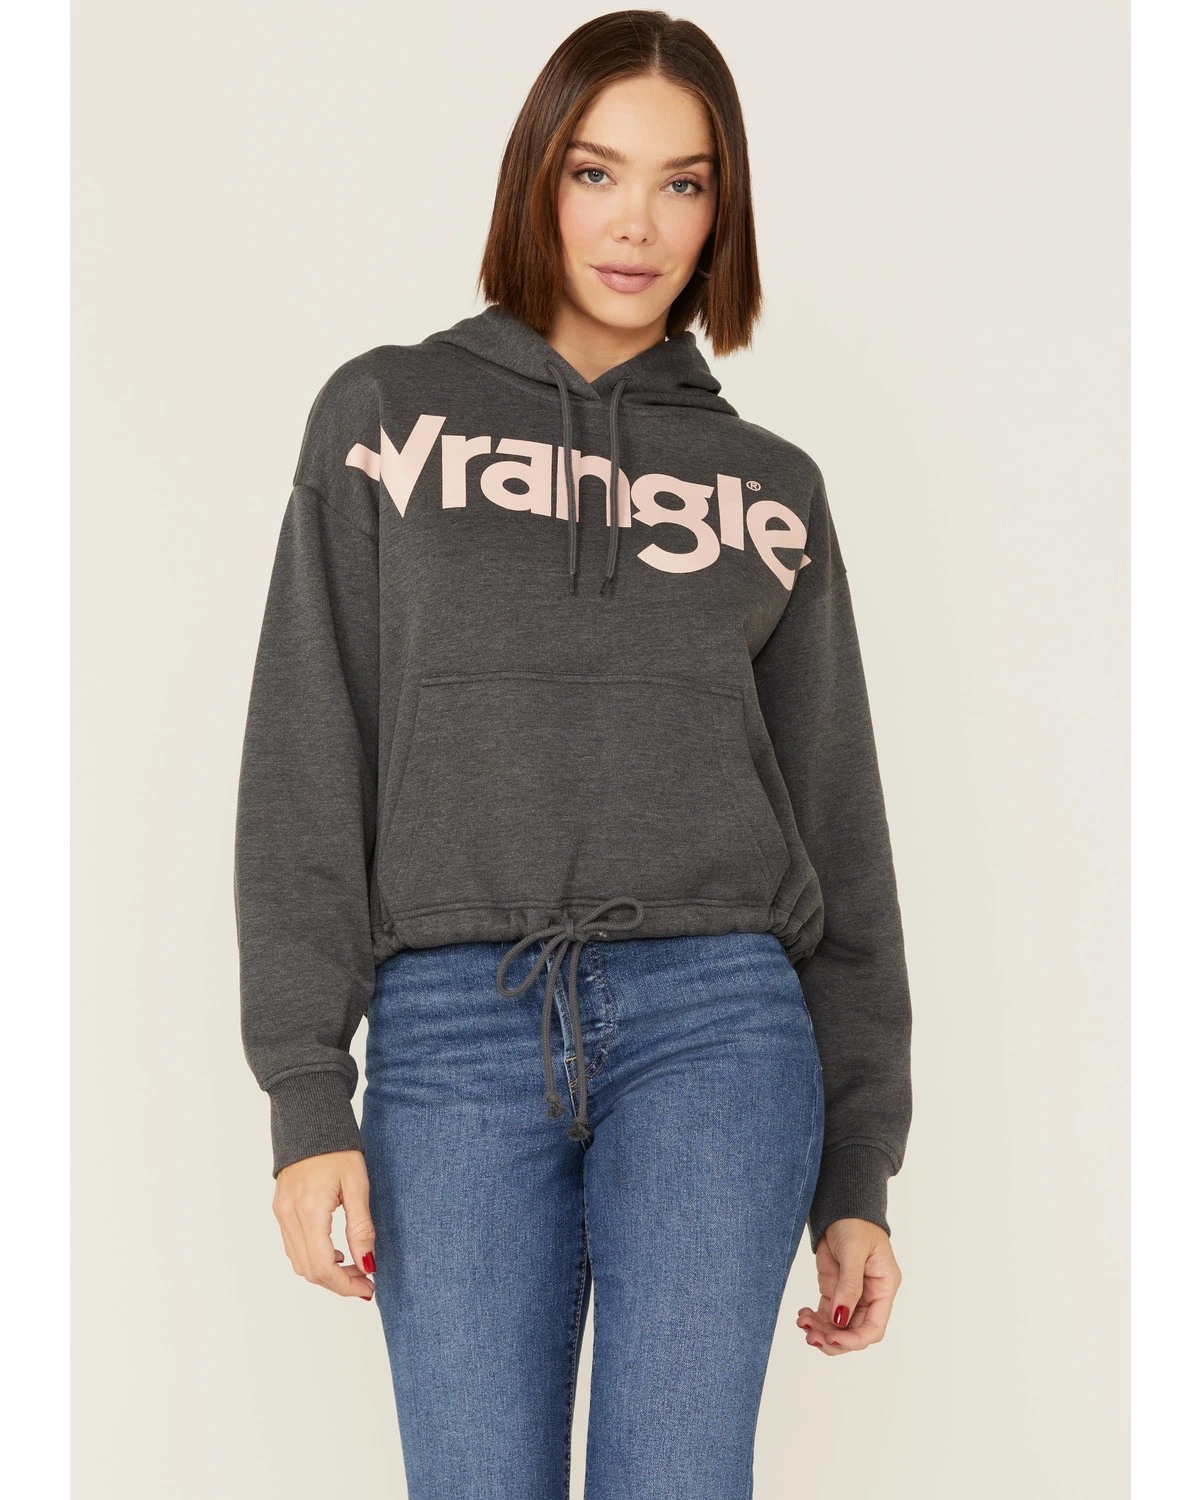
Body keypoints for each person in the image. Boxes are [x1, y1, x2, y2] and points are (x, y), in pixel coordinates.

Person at [234, 10, 913, 1496]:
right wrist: (304, 1093)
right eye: (598, 172)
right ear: (537, 176)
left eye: (684, 183)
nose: (636, 223)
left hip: (720, 1029)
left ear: (723, 212)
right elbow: (306, 753)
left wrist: (859, 1165)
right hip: (454, 1029)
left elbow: (838, 824)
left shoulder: (769, 487)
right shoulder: (384, 419)